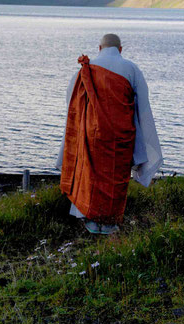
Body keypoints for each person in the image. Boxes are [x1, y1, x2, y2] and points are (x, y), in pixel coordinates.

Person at [56, 34, 163, 234]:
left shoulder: (86, 70)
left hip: (92, 133)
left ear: (99, 48)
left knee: (91, 174)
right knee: (116, 176)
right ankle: (110, 223)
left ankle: (91, 220)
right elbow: (143, 106)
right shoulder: (131, 69)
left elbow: (71, 99)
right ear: (120, 49)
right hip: (121, 135)